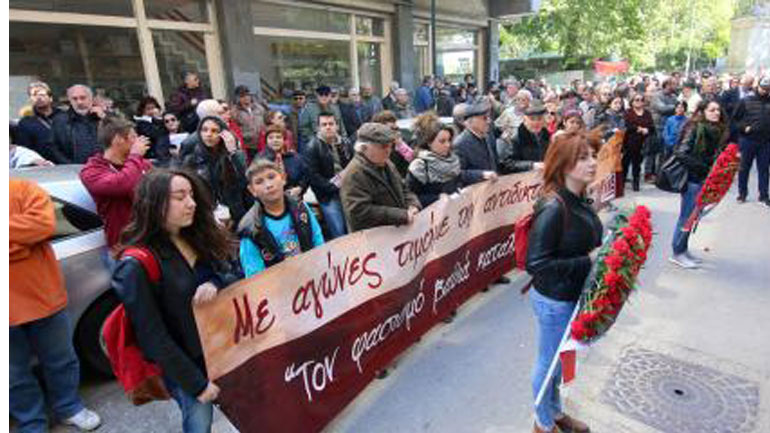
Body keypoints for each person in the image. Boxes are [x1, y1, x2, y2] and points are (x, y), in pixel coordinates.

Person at [111, 169, 240, 433]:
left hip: (222, 349)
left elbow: (230, 273)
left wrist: (214, 282)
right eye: (180, 197)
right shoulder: (135, 265)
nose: (191, 203)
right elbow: (153, 337)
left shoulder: (197, 234)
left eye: (191, 195)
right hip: (186, 367)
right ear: (155, 202)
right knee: (199, 423)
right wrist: (196, 384)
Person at [10, 178, 102, 433]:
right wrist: (22, 242)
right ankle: (32, 422)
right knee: (12, 375)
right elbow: (33, 230)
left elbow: (43, 225)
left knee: (60, 359)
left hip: (44, 296)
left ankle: (69, 407)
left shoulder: (23, 188)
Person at [526, 131, 602, 433]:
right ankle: (543, 425)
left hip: (571, 295)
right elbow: (537, 264)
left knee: (558, 363)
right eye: (583, 158)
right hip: (554, 300)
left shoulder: (579, 196)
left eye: (593, 155)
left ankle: (555, 412)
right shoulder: (554, 207)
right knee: (548, 364)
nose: (593, 162)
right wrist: (588, 260)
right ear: (564, 164)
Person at [237, 159, 324, 277]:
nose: (268, 185)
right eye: (259, 182)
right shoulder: (249, 229)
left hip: (310, 276)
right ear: (252, 190)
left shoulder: (301, 208)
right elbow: (254, 275)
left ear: (283, 178)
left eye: (271, 177)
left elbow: (318, 242)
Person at [80, 116, 153, 257]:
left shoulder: (142, 163)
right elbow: (124, 185)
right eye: (133, 136)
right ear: (118, 139)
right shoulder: (92, 171)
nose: (138, 141)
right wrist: (135, 156)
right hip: (125, 247)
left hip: (154, 241)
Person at [670, 100, 729, 268]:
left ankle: (683, 250)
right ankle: (677, 252)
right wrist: (704, 168)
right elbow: (681, 153)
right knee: (687, 217)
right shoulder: (695, 127)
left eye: (718, 109)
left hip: (704, 179)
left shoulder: (716, 130)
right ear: (703, 112)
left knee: (693, 218)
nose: (716, 112)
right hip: (692, 180)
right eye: (712, 110)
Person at [340, 122, 422, 232]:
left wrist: (413, 205)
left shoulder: (387, 164)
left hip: (396, 233)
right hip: (374, 240)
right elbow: (359, 212)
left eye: (390, 146)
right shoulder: (354, 174)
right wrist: (401, 215)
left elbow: (404, 189)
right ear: (364, 148)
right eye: (383, 146)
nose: (389, 150)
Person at [407, 112, 495, 207]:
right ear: (429, 142)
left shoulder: (452, 159)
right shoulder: (419, 166)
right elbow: (411, 196)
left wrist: (481, 174)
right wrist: (437, 198)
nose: (447, 145)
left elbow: (459, 175)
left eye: (449, 140)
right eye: (442, 141)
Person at [180, 116, 252, 227]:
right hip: (208, 216)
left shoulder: (231, 156)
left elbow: (245, 181)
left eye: (214, 131)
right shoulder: (192, 160)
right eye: (204, 130)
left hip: (236, 213)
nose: (209, 134)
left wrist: (233, 152)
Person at [302, 111, 353, 239]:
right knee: (339, 231)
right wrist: (333, 187)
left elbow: (353, 165)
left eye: (331, 123)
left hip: (349, 190)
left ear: (337, 126)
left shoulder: (345, 143)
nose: (328, 127)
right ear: (318, 128)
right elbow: (313, 177)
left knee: (354, 227)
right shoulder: (312, 147)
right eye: (324, 124)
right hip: (328, 195)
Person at [732, 77, 770, 206]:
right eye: (763, 88)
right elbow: (734, 120)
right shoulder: (745, 101)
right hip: (747, 140)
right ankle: (742, 194)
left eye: (768, 89)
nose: (765, 91)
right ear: (757, 87)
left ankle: (764, 196)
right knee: (744, 168)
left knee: (764, 169)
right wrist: (744, 128)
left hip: (765, 142)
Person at [51, 84, 106, 164]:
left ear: (91, 99)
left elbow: (121, 137)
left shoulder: (104, 117)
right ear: (70, 101)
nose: (79, 102)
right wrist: (69, 165)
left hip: (103, 169)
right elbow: (54, 148)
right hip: (73, 170)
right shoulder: (60, 121)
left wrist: (105, 119)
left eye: (83, 98)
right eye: (74, 99)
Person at [16, 81, 67, 162]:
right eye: (34, 95)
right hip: (43, 169)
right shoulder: (25, 123)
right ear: (31, 99)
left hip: (70, 164)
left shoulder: (65, 116)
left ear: (50, 98)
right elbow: (25, 151)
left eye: (42, 94)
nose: (38, 98)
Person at [498, 100, 551, 174]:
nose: (536, 123)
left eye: (539, 119)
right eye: (532, 119)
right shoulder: (514, 137)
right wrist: (531, 165)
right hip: (522, 180)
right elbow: (506, 164)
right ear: (524, 120)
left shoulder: (546, 134)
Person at [258, 124, 308, 199]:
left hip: (294, 197)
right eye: (271, 138)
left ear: (284, 140)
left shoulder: (295, 157)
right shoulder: (260, 160)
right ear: (266, 141)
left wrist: (300, 188)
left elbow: (305, 176)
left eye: (278, 137)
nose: (275, 140)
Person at [454, 100, 498, 181]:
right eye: (484, 118)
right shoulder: (460, 144)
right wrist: (481, 174)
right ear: (470, 122)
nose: (489, 121)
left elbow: (495, 162)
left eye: (489, 117)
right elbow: (458, 174)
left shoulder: (489, 137)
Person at [623, 94, 655, 191]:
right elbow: (627, 125)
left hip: (643, 142)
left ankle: (636, 183)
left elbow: (652, 126)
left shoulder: (647, 113)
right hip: (629, 142)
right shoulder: (628, 112)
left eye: (641, 100)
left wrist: (647, 130)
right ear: (632, 102)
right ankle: (622, 182)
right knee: (625, 163)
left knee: (637, 164)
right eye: (637, 100)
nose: (639, 102)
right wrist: (639, 128)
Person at [371, 110, 414, 177]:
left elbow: (413, 161)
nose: (395, 132)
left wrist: (400, 145)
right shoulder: (375, 149)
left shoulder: (402, 143)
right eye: (391, 129)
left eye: (396, 128)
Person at [133, 96, 172, 164]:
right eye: (148, 109)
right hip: (152, 157)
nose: (152, 111)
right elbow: (155, 134)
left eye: (153, 108)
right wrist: (158, 120)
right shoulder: (142, 123)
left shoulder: (157, 121)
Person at [232, 85, 266, 159]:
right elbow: (234, 129)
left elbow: (265, 122)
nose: (246, 98)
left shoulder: (259, 108)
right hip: (247, 146)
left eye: (247, 95)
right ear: (238, 98)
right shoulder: (235, 112)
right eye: (242, 96)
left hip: (262, 144)